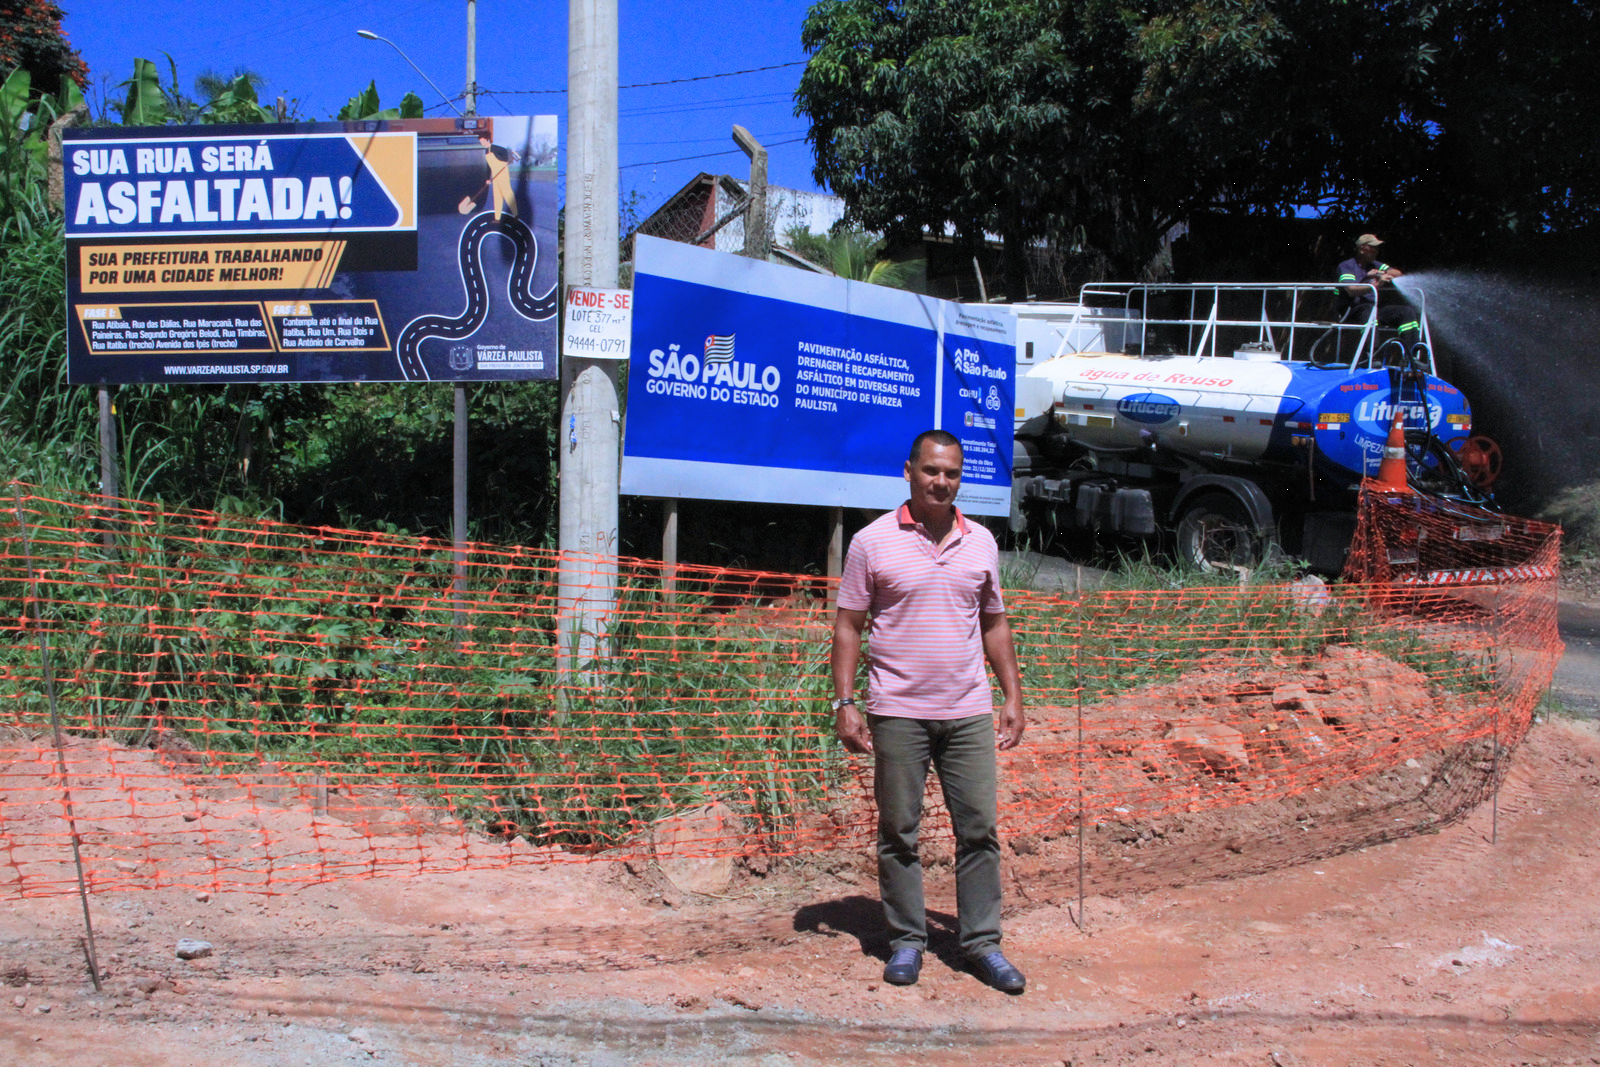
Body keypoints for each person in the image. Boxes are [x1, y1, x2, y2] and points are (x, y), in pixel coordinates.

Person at [830, 429, 1027, 994]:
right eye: (932, 470)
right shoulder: (871, 542)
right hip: (897, 711)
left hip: (968, 710)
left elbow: (994, 622)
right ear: (909, 471)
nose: (942, 481)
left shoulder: (983, 541)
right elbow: (848, 626)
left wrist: (1012, 695)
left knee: (980, 831)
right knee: (898, 831)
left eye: (953, 473)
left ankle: (982, 944)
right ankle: (907, 942)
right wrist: (846, 703)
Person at [1336, 233, 1420, 359]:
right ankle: (1373, 355)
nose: (1377, 251)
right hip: (1352, 310)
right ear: (1362, 249)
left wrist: (1381, 272)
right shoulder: (1347, 266)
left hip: (1372, 309)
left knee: (1406, 312)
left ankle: (1411, 357)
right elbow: (1351, 290)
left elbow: (1398, 274)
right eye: (1373, 247)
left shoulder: (1374, 264)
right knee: (1368, 310)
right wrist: (1377, 283)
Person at [478, 133, 518, 221]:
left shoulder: (495, 148)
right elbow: (489, 166)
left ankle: (515, 214)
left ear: (487, 140)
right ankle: (497, 218)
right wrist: (488, 178)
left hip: (502, 172)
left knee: (506, 192)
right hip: (495, 174)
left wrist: (504, 163)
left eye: (482, 141)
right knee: (497, 195)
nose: (482, 143)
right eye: (480, 142)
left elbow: (505, 153)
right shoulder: (486, 151)